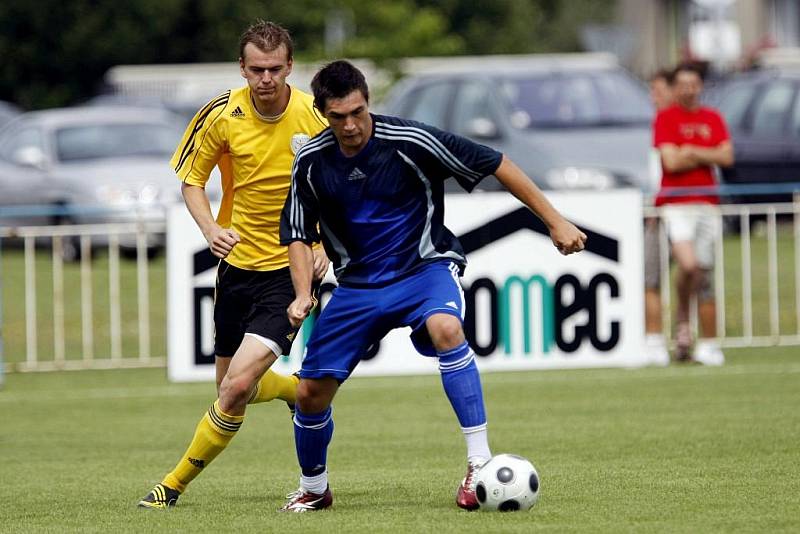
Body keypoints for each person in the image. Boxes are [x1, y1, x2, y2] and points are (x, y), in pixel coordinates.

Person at [277, 60, 587, 512]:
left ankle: (479, 465)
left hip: (424, 269)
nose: (350, 125)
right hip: (358, 286)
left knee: (447, 329)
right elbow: (298, 234)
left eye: (358, 112)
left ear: (369, 103)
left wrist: (555, 221)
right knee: (308, 394)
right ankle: (314, 487)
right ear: (323, 113)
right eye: (339, 116)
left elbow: (497, 163)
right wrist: (304, 293)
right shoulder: (311, 161)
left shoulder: (412, 140)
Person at [138, 20, 328, 509]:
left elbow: (342, 190)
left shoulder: (313, 116)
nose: (266, 78)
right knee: (230, 386)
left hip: (291, 270)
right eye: (257, 69)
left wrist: (324, 246)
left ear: (290, 67)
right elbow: (191, 183)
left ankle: (172, 485)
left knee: (237, 387)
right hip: (236, 268)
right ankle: (297, 390)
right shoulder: (221, 115)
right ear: (241, 68)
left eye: (275, 69)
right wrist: (209, 230)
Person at [653, 63, 733, 365]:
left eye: (694, 83)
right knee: (689, 264)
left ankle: (706, 341)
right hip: (675, 202)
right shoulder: (666, 118)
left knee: (705, 271)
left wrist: (692, 151)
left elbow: (727, 156)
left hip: (707, 203)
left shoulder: (713, 117)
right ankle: (683, 319)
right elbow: (671, 162)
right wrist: (705, 152)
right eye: (683, 84)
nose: (688, 89)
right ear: (676, 88)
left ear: (701, 86)